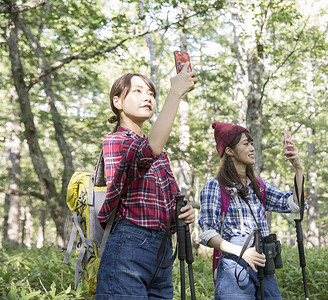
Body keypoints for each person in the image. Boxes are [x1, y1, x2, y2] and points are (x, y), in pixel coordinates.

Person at [95, 64, 198, 299]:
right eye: (138, 91)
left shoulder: (161, 155)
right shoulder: (115, 141)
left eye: (151, 93)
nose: (148, 97)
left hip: (161, 250)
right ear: (118, 102)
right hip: (129, 246)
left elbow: (171, 197)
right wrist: (175, 93)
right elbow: (149, 149)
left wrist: (182, 212)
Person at [198, 122, 307, 300]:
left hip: (264, 262)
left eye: (252, 143)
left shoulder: (259, 186)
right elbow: (207, 233)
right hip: (234, 265)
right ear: (229, 151)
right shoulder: (215, 186)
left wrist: (298, 168)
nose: (252, 148)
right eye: (245, 144)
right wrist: (242, 251)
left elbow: (295, 205)